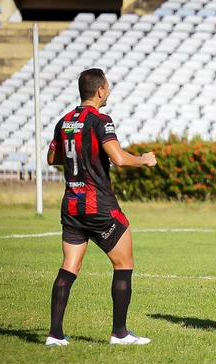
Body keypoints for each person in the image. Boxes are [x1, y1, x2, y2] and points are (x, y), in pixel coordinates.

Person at [45, 68, 157, 346]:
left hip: (71, 204)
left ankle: (55, 335)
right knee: (124, 263)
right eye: (107, 87)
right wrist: (144, 159)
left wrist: (80, 156)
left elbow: (52, 157)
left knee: (70, 266)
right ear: (100, 91)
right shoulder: (100, 120)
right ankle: (119, 333)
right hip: (100, 206)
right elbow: (118, 158)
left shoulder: (65, 121)